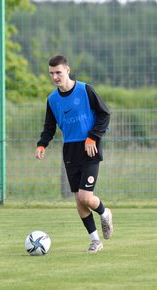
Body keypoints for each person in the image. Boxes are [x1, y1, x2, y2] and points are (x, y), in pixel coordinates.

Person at [35, 54, 113, 253]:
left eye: (58, 72)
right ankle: (95, 241)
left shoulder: (85, 90)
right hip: (70, 150)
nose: (55, 77)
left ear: (67, 70)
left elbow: (104, 114)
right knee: (78, 200)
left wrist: (92, 137)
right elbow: (49, 126)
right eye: (51, 73)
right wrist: (42, 144)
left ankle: (105, 213)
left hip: (90, 148)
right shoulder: (52, 99)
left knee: (86, 198)